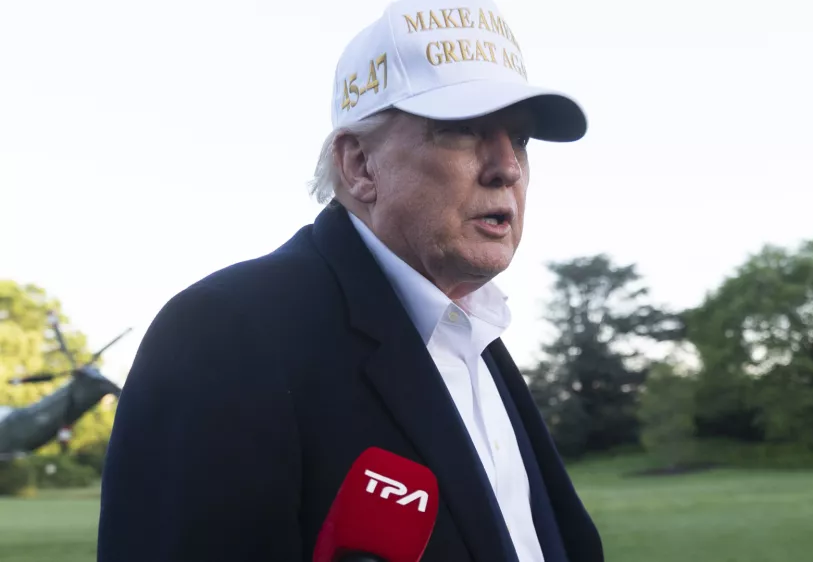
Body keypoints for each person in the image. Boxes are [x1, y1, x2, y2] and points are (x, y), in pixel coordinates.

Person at [96, 0, 602, 560]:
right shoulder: (226, 334)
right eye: (461, 131)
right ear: (359, 164)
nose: (506, 167)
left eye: (521, 139)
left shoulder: (476, 338)